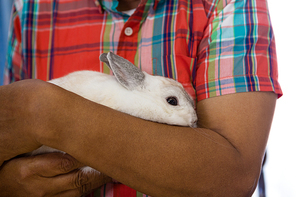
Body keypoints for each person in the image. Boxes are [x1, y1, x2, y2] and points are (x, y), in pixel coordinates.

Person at [0, 0, 282, 196]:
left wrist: (44, 112)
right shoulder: (30, 9)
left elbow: (233, 178)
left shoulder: (227, 5)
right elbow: (10, 131)